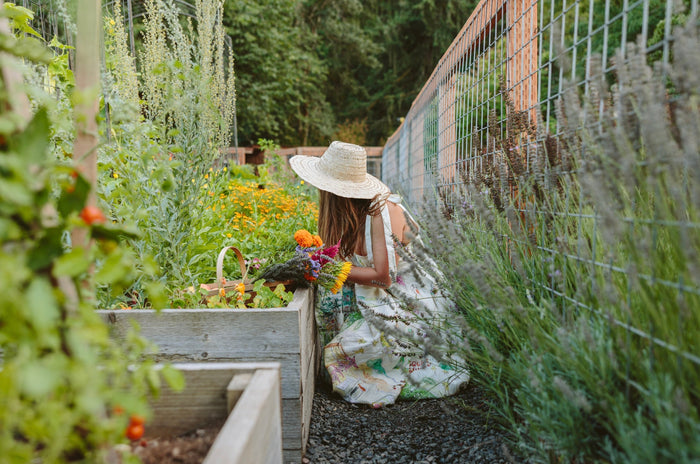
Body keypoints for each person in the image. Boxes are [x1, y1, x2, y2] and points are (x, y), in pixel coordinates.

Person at [289, 141, 469, 407]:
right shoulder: (348, 216)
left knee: (354, 346)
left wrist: (331, 269)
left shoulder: (381, 211)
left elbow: (383, 277)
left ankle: (389, 366)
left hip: (411, 301)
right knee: (332, 302)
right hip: (380, 296)